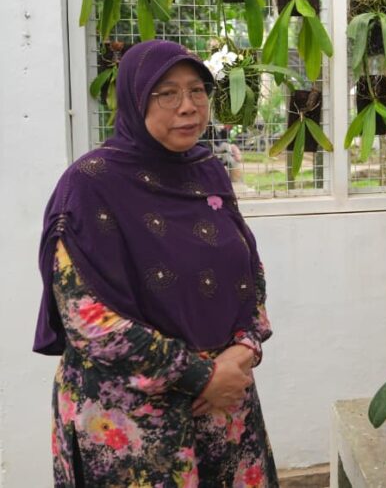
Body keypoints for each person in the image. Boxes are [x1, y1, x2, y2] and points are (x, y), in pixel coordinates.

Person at [33, 40, 277, 486]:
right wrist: (202, 376)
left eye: (197, 90)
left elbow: (247, 272)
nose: (188, 106)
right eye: (167, 93)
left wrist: (246, 347)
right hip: (134, 424)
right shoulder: (90, 185)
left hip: (223, 407)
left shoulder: (208, 171)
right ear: (136, 98)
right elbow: (89, 320)